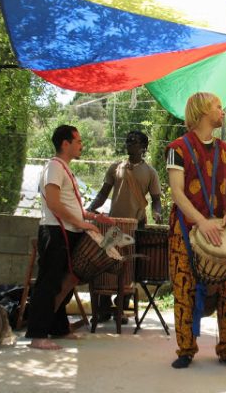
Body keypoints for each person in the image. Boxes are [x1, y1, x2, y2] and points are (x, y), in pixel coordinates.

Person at [165, 92, 226, 370]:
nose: (222, 112)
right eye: (218, 107)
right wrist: (201, 221)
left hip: (222, 228)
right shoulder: (178, 148)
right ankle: (186, 349)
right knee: (184, 289)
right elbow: (177, 193)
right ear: (202, 111)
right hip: (186, 231)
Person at [26, 124, 113, 350]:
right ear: (65, 143)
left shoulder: (64, 168)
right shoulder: (54, 167)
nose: (81, 145)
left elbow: (71, 207)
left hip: (67, 230)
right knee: (50, 283)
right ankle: (37, 334)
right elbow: (54, 204)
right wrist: (81, 223)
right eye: (78, 141)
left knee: (66, 283)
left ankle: (58, 328)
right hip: (56, 232)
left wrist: (93, 217)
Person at [87, 130, 163, 323]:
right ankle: (104, 307)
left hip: (136, 225)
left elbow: (156, 200)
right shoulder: (115, 167)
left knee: (129, 266)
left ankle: (121, 307)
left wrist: (157, 212)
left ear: (143, 147)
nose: (129, 143)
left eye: (134, 141)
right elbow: (103, 194)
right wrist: (88, 209)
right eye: (128, 140)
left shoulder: (150, 172)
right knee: (106, 263)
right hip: (113, 225)